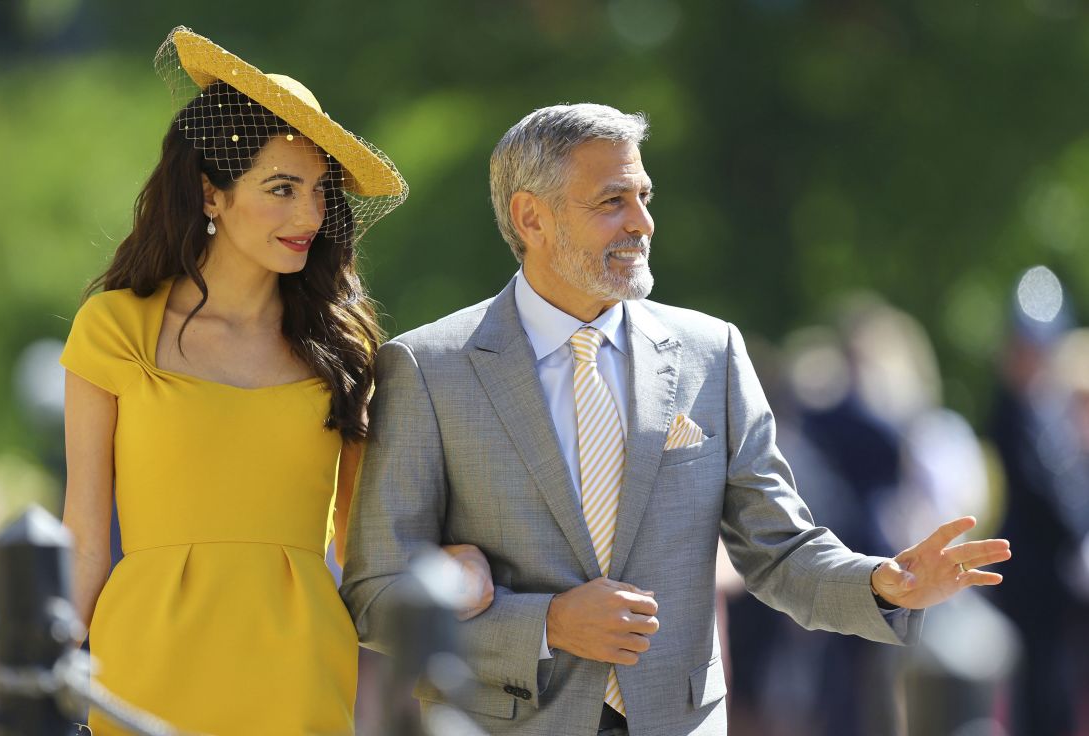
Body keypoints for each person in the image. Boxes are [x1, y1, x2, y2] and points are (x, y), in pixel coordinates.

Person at [341, 103, 1012, 736]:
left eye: (644, 196)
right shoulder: (428, 369)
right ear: (531, 218)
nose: (642, 221)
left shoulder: (711, 353)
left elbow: (778, 551)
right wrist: (546, 625)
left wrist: (880, 582)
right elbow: (378, 596)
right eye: (613, 200)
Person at [60, 27, 492, 735]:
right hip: (141, 667)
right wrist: (30, 671)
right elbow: (83, 538)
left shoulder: (345, 352)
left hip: (300, 673)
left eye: (319, 192)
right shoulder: (115, 328)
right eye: (281, 189)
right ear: (211, 195)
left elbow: (366, 546)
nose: (308, 216)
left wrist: (458, 577)